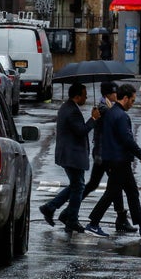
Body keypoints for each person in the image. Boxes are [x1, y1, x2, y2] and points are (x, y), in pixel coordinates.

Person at [85, 84, 141, 237]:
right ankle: (93, 223)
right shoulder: (121, 116)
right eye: (132, 101)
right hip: (119, 160)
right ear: (125, 98)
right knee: (111, 193)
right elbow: (127, 139)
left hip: (116, 159)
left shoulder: (111, 113)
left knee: (132, 192)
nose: (132, 104)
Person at [39, 82, 101, 233]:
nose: (86, 98)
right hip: (71, 155)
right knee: (78, 186)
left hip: (69, 154)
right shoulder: (72, 111)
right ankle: (70, 218)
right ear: (77, 96)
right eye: (84, 96)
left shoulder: (67, 107)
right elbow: (81, 131)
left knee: (76, 185)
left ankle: (51, 208)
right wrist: (93, 119)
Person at [79, 81, 136, 233]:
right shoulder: (105, 110)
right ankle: (72, 213)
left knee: (109, 186)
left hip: (105, 153)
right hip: (105, 155)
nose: (117, 95)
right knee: (112, 187)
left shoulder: (108, 108)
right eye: (114, 93)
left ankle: (121, 218)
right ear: (107, 95)